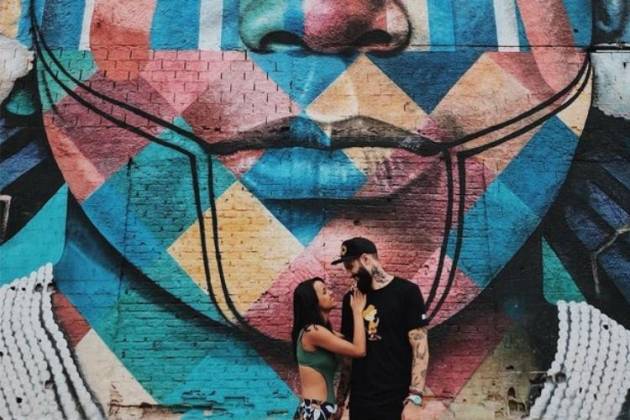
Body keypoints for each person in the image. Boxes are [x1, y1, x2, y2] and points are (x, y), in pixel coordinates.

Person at [332, 237, 429, 420]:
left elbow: (420, 347)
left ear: (366, 259)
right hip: (361, 403)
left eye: (350, 266)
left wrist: (415, 397)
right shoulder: (351, 299)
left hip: (396, 402)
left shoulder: (407, 292)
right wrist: (340, 401)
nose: (349, 273)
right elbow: (348, 356)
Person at [292, 277, 367, 420]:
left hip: (322, 410)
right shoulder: (313, 332)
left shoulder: (324, 332)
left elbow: (349, 341)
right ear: (313, 302)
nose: (331, 293)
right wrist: (357, 311)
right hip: (315, 411)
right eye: (325, 292)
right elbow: (359, 350)